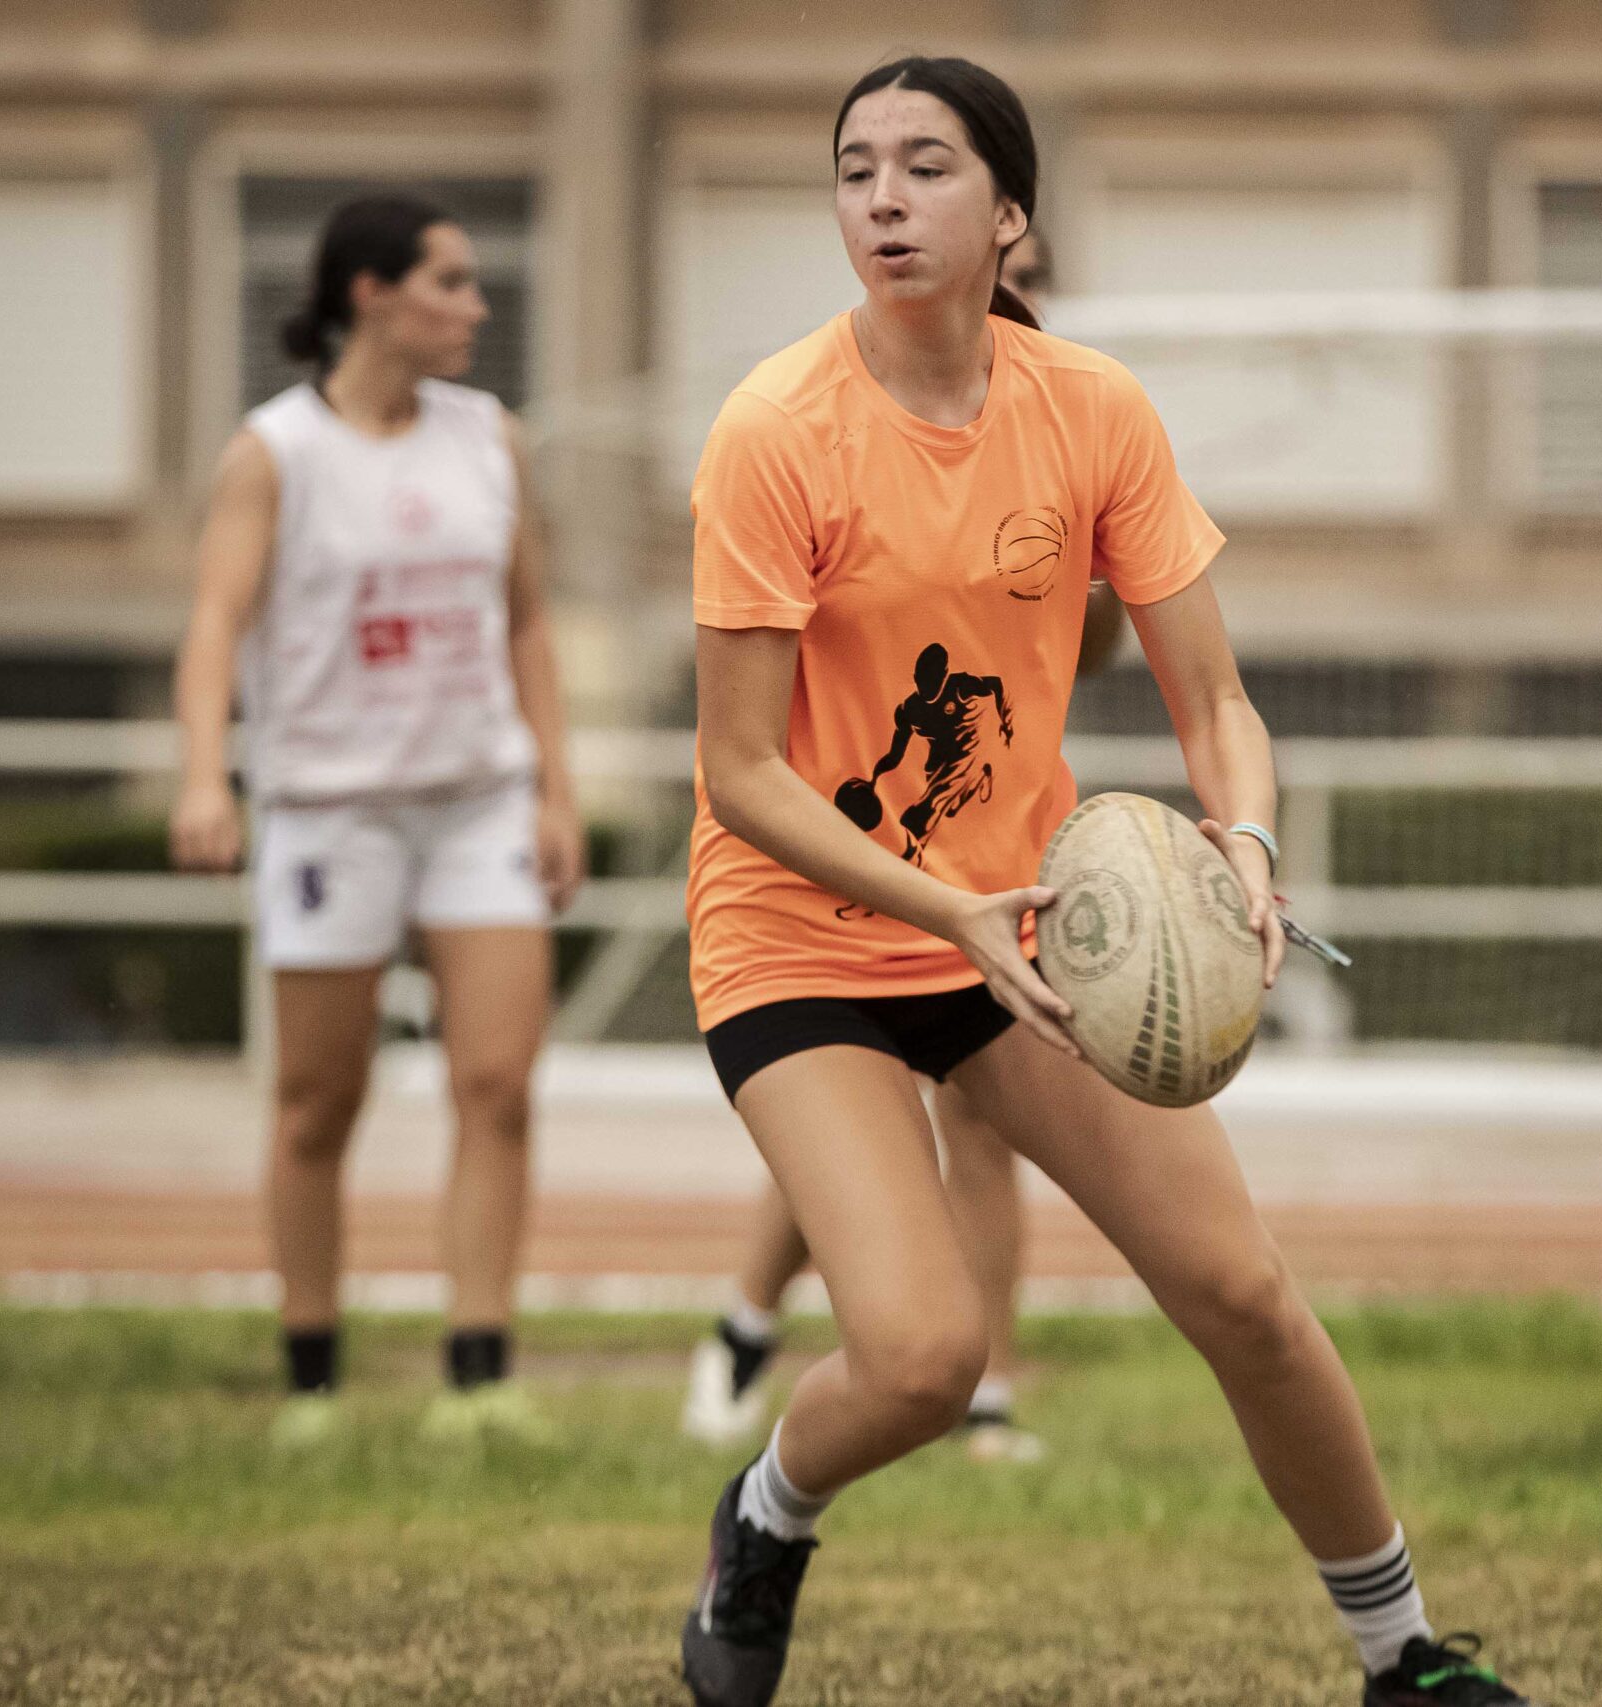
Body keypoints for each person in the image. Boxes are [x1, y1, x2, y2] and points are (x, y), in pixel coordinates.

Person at [673, 55, 1528, 1707]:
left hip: (1034, 930)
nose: (883, 198)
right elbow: (742, 771)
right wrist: (945, 915)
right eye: (856, 169)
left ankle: (1403, 1655)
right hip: (805, 943)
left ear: (1012, 216)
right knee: (925, 1359)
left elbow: (1215, 701)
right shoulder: (776, 432)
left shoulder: (1093, 410)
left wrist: (1246, 848)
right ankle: (767, 1517)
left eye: (926, 167)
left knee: (1242, 1292)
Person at [680, 235, 1116, 1469]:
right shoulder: (810, 432)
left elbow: (1090, 660)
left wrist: (1086, 591)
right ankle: (747, 1321)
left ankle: (985, 1390)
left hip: (987, 883)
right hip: (832, 884)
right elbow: (750, 741)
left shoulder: (1068, 427)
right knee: (868, 1142)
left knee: (970, 1132)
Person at [170, 193, 584, 1449]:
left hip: (477, 804)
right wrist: (204, 777)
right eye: (452, 283)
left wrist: (554, 788)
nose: (476, 306)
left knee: (499, 1084)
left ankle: (478, 1373)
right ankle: (311, 1376)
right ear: (369, 293)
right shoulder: (275, 452)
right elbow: (214, 627)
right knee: (316, 1101)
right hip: (326, 814)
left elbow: (524, 621)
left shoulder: (485, 437)